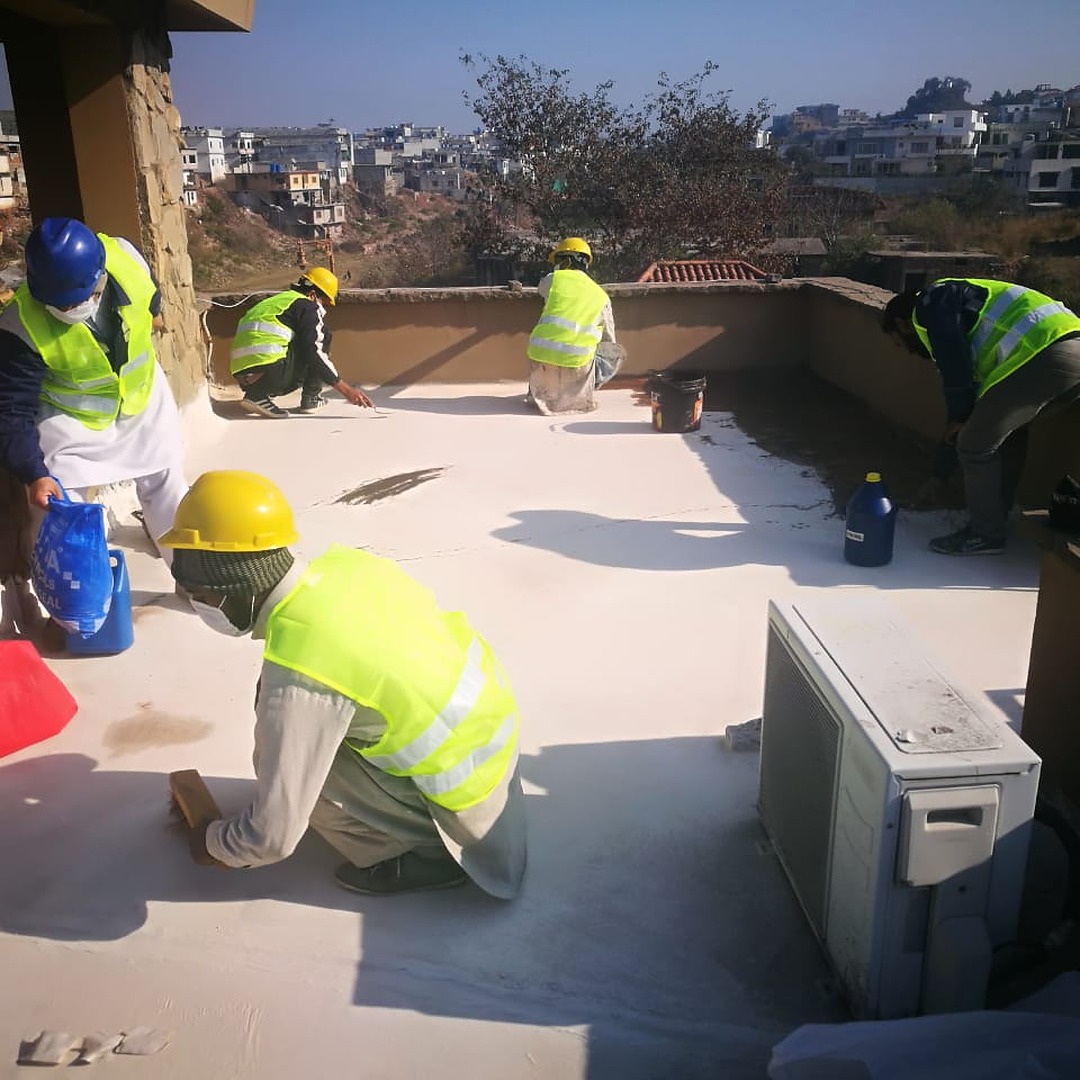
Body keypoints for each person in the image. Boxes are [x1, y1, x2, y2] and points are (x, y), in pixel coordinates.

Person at [162, 470, 527, 898]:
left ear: (236, 589)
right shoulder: (351, 568)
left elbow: (272, 838)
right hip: (494, 759)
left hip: (465, 813)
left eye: (202, 595)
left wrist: (210, 841)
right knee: (295, 724)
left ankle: (421, 857)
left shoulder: (302, 672)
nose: (199, 606)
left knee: (286, 760)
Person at [0, 217, 187, 564]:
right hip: (73, 418)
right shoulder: (20, 324)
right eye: (59, 305)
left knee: (168, 484)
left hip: (141, 399)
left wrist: (154, 312)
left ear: (100, 276)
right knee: (61, 506)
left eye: (76, 301)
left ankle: (188, 573)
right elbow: (11, 410)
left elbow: (150, 294)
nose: (68, 311)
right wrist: (34, 473)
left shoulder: (127, 259)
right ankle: (80, 586)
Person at [882, 278, 1080, 555]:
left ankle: (985, 534)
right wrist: (940, 474)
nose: (908, 351)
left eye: (901, 344)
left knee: (973, 444)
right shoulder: (953, 298)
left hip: (1044, 353)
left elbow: (958, 382)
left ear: (903, 324)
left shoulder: (930, 307)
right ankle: (997, 515)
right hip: (1069, 350)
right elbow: (966, 402)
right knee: (1005, 434)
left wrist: (939, 474)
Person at [229, 267, 373, 418]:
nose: (322, 307)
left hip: (243, 377)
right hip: (272, 373)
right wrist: (347, 390)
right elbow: (313, 351)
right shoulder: (307, 306)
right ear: (312, 295)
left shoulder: (276, 302)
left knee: (302, 339)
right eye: (322, 302)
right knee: (320, 338)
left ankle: (257, 393)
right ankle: (311, 398)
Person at [526, 237, 618, 415]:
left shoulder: (553, 280)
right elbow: (610, 340)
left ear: (566, 261)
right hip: (576, 364)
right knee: (616, 352)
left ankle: (538, 393)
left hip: (539, 360)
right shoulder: (601, 296)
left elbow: (541, 290)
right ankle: (581, 393)